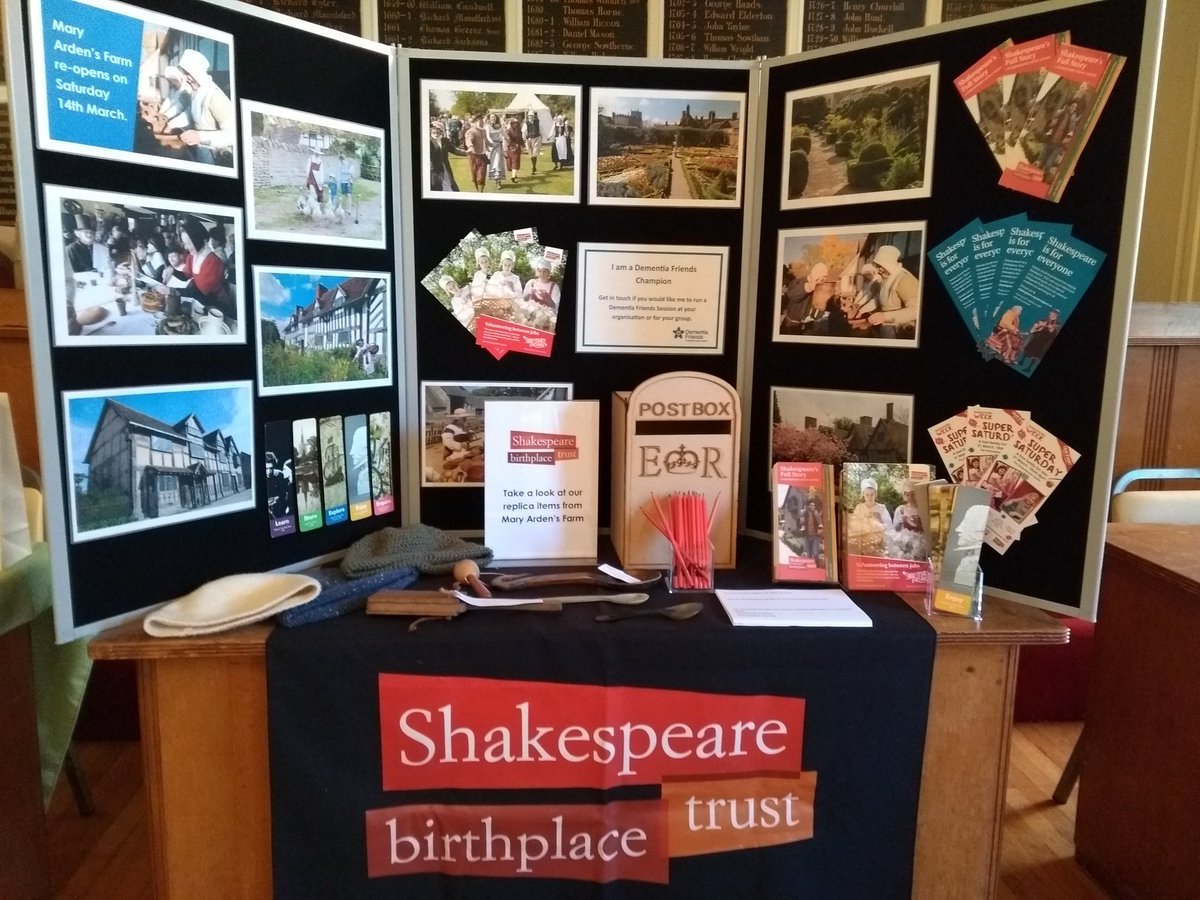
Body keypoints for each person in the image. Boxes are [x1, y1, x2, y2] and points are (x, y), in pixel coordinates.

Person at [175, 48, 234, 166]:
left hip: (218, 156)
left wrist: (199, 136)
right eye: (184, 74)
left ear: (196, 72)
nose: (185, 79)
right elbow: (189, 113)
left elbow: (233, 134)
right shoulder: (196, 92)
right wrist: (172, 124)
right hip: (202, 150)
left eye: (187, 74)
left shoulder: (215, 96)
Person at [179, 217, 233, 320]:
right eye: (184, 243)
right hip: (201, 302)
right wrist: (172, 270)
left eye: (189, 243)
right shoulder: (192, 256)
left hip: (216, 306)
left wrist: (175, 291)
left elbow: (203, 293)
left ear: (201, 240)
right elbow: (187, 275)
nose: (185, 247)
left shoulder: (213, 261)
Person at [865, 245, 919, 336]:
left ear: (888, 264)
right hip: (887, 328)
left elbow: (916, 310)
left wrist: (884, 316)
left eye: (879, 266)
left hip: (900, 331)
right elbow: (879, 299)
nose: (877, 271)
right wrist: (863, 311)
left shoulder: (905, 279)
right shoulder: (887, 278)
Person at [849, 476, 891, 555]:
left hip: (878, 540)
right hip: (862, 538)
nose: (869, 497)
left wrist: (879, 521)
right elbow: (853, 524)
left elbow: (889, 526)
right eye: (867, 495)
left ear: (876, 494)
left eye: (872, 494)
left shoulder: (881, 508)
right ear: (863, 495)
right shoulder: (859, 508)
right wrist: (862, 521)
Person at [891, 480, 927, 560]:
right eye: (907, 494)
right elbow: (894, 531)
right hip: (905, 546)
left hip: (920, 546)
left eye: (912, 494)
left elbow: (927, 529)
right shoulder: (901, 510)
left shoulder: (923, 509)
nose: (910, 497)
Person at [428, 121, 461, 192]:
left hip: (445, 168)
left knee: (451, 187)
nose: (435, 131)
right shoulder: (428, 141)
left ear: (441, 131)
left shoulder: (445, 141)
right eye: (433, 129)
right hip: (434, 170)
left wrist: (469, 152)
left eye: (438, 130)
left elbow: (455, 150)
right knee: (435, 188)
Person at [158, 66, 191, 131]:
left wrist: (165, 116)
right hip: (172, 120)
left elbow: (178, 108)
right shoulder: (173, 90)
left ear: (177, 79)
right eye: (169, 82)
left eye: (171, 81)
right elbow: (168, 101)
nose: (170, 84)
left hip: (183, 124)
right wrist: (160, 112)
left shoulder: (186, 90)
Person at [463, 114, 487, 192]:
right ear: (474, 122)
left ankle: (481, 193)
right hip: (473, 156)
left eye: (481, 120)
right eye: (478, 121)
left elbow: (485, 140)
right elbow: (468, 139)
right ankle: (477, 193)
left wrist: (491, 144)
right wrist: (470, 146)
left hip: (483, 156)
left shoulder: (483, 130)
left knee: (481, 176)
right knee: (474, 176)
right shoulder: (470, 131)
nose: (481, 122)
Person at [484, 113, 505, 188]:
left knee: (498, 162)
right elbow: (488, 136)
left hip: (498, 146)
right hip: (491, 146)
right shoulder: (487, 126)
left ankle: (498, 181)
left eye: (494, 117)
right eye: (491, 117)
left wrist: (510, 140)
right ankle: (496, 180)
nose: (493, 118)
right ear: (489, 118)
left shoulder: (500, 126)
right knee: (492, 163)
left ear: (496, 118)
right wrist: (492, 144)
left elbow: (504, 135)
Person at [503, 116, 523, 183]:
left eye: (516, 123)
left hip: (517, 149)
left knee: (515, 161)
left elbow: (521, 139)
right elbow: (508, 139)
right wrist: (513, 145)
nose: (515, 124)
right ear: (511, 123)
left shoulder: (519, 131)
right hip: (510, 148)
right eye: (513, 123)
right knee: (512, 162)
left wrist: (522, 144)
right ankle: (514, 174)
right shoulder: (508, 131)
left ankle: (513, 176)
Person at [523, 107, 542, 174]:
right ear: (528, 117)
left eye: (532, 116)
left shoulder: (537, 122)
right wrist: (524, 138)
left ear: (533, 116)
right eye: (529, 116)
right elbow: (524, 131)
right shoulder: (526, 123)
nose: (530, 117)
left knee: (535, 153)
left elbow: (541, 129)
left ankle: (534, 167)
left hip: (537, 138)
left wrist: (546, 137)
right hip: (529, 138)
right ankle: (534, 166)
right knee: (530, 153)